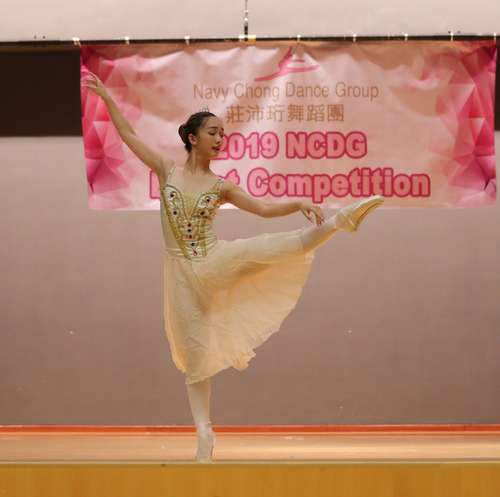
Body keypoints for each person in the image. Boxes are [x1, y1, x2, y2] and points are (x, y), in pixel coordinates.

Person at [82, 71, 384, 462]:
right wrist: (107, 98)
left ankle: (340, 221)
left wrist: (297, 202)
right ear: (192, 138)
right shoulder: (167, 170)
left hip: (214, 260)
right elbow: (128, 136)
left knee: (273, 249)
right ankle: (204, 434)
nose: (220, 139)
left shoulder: (221, 185)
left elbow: (262, 209)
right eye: (213, 132)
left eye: (223, 134)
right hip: (180, 277)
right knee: (195, 357)